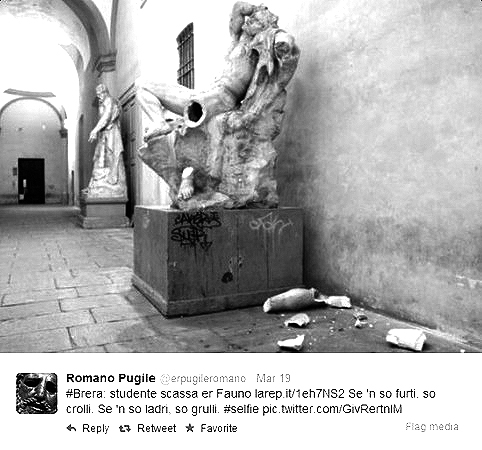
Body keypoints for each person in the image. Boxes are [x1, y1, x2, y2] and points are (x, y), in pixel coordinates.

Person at [136, 2, 299, 203]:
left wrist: (275, 32)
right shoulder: (238, 40)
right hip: (205, 92)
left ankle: (189, 175)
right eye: (251, 19)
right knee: (142, 84)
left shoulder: (265, 41)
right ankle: (159, 123)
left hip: (222, 98)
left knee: (194, 127)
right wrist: (254, 9)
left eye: (255, 20)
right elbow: (238, 8)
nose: (249, 22)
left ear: (264, 25)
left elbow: (287, 48)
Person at [86, 83, 126, 196]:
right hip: (105, 134)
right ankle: (105, 181)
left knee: (112, 154)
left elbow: (106, 117)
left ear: (105, 92)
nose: (98, 96)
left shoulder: (109, 101)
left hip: (112, 133)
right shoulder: (103, 103)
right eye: (97, 94)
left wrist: (95, 130)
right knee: (100, 156)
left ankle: (115, 182)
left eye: (99, 94)